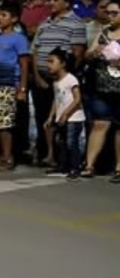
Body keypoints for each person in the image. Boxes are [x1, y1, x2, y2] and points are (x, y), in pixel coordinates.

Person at [29, 0, 86, 167]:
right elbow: (36, 51)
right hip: (42, 78)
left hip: (61, 81)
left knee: (60, 118)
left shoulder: (75, 23)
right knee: (42, 117)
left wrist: (63, 77)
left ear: (66, 3)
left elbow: (77, 52)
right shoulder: (45, 24)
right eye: (50, 0)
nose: (51, 3)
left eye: (55, 0)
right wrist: (37, 76)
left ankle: (62, 157)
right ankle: (46, 152)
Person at [0, 0, 31, 171]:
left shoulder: (18, 39)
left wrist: (22, 88)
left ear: (14, 18)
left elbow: (24, 63)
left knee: (5, 122)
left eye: (4, 15)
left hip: (9, 84)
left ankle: (8, 156)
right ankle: (0, 152)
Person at [82, 0, 120, 178]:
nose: (110, 16)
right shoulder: (104, 33)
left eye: (115, 13)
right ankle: (89, 165)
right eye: (108, 13)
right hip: (102, 86)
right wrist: (95, 52)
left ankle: (119, 167)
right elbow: (88, 54)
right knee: (99, 123)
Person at [44, 49, 84, 180]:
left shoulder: (70, 79)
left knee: (71, 143)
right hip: (62, 118)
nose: (48, 65)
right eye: (47, 61)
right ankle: (63, 166)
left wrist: (66, 113)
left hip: (74, 118)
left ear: (63, 64)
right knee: (61, 142)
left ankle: (75, 168)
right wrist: (51, 117)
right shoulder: (56, 82)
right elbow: (56, 100)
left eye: (52, 61)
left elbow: (77, 99)